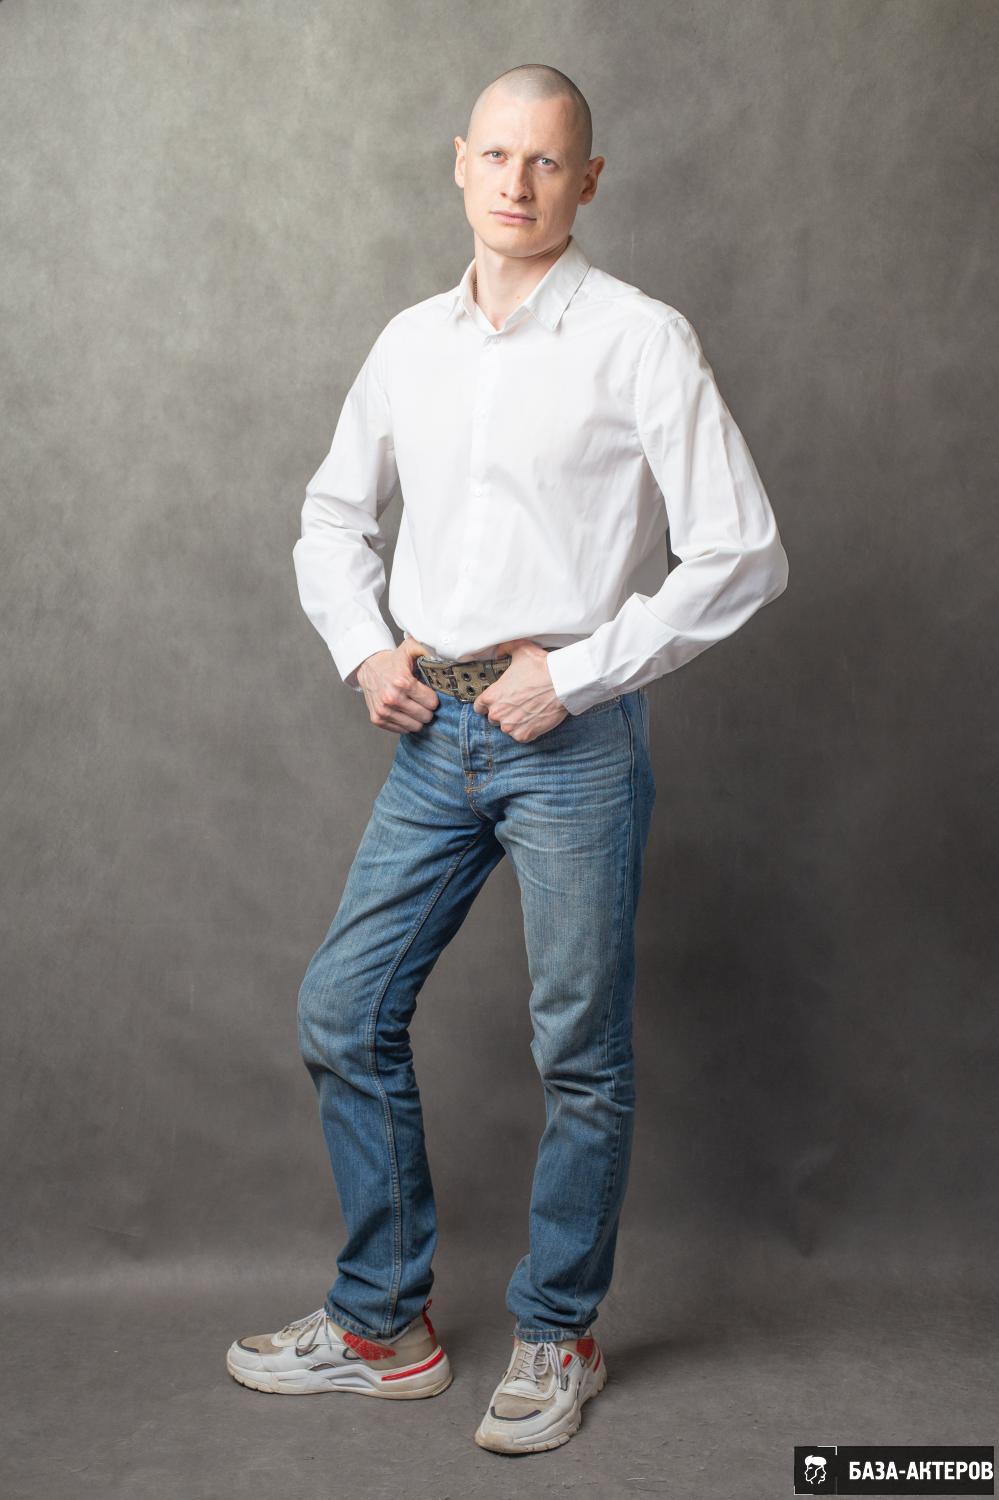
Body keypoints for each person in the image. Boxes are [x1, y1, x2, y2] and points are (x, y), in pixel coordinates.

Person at [225, 61, 789, 1456]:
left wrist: (579, 675)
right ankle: (384, 1328)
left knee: (578, 1053)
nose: (518, 183)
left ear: (587, 179)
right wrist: (367, 650)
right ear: (459, 163)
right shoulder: (410, 342)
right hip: (434, 733)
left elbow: (743, 551)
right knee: (343, 1010)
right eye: (496, 156)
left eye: (547, 161)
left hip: (572, 740)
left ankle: (559, 1331)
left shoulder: (640, 340)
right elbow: (330, 520)